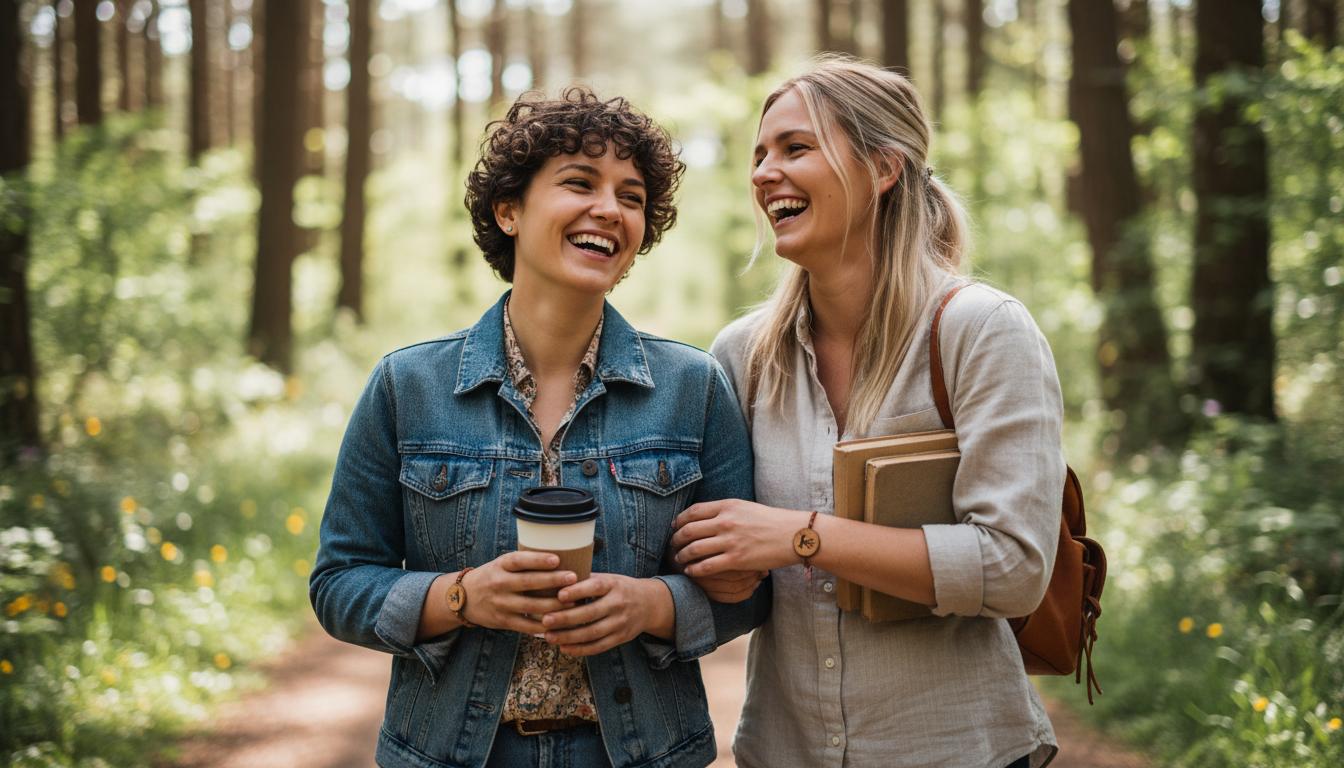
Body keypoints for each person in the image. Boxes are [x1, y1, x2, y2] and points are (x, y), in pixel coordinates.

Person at [311, 88, 768, 768]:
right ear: (509, 211)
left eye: (632, 196)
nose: (609, 209)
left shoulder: (693, 386)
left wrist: (650, 605)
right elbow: (339, 584)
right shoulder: (406, 386)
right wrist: (461, 597)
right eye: (580, 183)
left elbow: (749, 590)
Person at [669, 58, 1064, 768]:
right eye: (760, 155)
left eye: (795, 147)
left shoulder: (981, 330)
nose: (764, 173)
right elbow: (728, 568)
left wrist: (802, 537)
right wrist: (716, 568)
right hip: (783, 751)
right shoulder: (740, 356)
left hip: (957, 751)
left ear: (883, 168)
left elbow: (1013, 568)